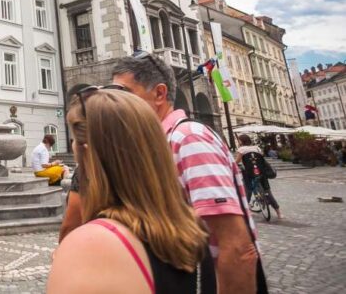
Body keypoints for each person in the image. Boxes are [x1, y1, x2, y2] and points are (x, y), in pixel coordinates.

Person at [112, 52, 263, 294]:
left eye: (125, 94)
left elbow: (236, 247)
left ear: (159, 94)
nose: (117, 103)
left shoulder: (188, 138)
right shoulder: (162, 142)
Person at [47, 89, 214, 294]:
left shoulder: (93, 244)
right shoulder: (186, 227)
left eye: (74, 140)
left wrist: (68, 257)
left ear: (90, 153)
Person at [236, 135, 282, 219]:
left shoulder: (241, 149)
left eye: (239, 140)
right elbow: (261, 158)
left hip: (249, 173)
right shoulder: (257, 148)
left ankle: (246, 211)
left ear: (241, 141)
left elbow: (237, 161)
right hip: (261, 172)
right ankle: (279, 213)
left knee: (247, 192)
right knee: (268, 192)